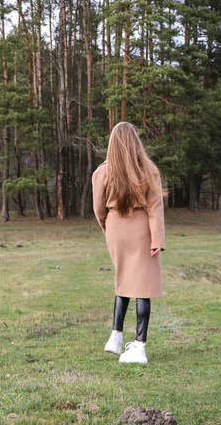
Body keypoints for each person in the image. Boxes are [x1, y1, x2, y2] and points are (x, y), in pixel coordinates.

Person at [92, 121, 166, 364]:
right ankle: (139, 347)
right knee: (142, 286)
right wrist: (157, 239)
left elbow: (98, 208)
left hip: (115, 227)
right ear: (135, 141)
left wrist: (108, 228)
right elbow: (155, 208)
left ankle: (116, 336)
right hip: (140, 227)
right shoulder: (148, 168)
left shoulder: (102, 171)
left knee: (123, 278)